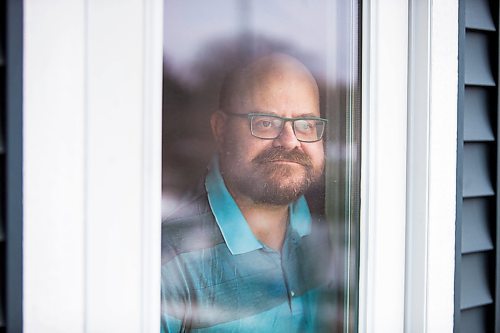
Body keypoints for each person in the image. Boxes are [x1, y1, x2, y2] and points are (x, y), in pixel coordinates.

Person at [161, 53, 335, 333]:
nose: (290, 141)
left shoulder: (326, 234)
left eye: (306, 124)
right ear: (221, 129)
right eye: (266, 122)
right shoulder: (168, 262)